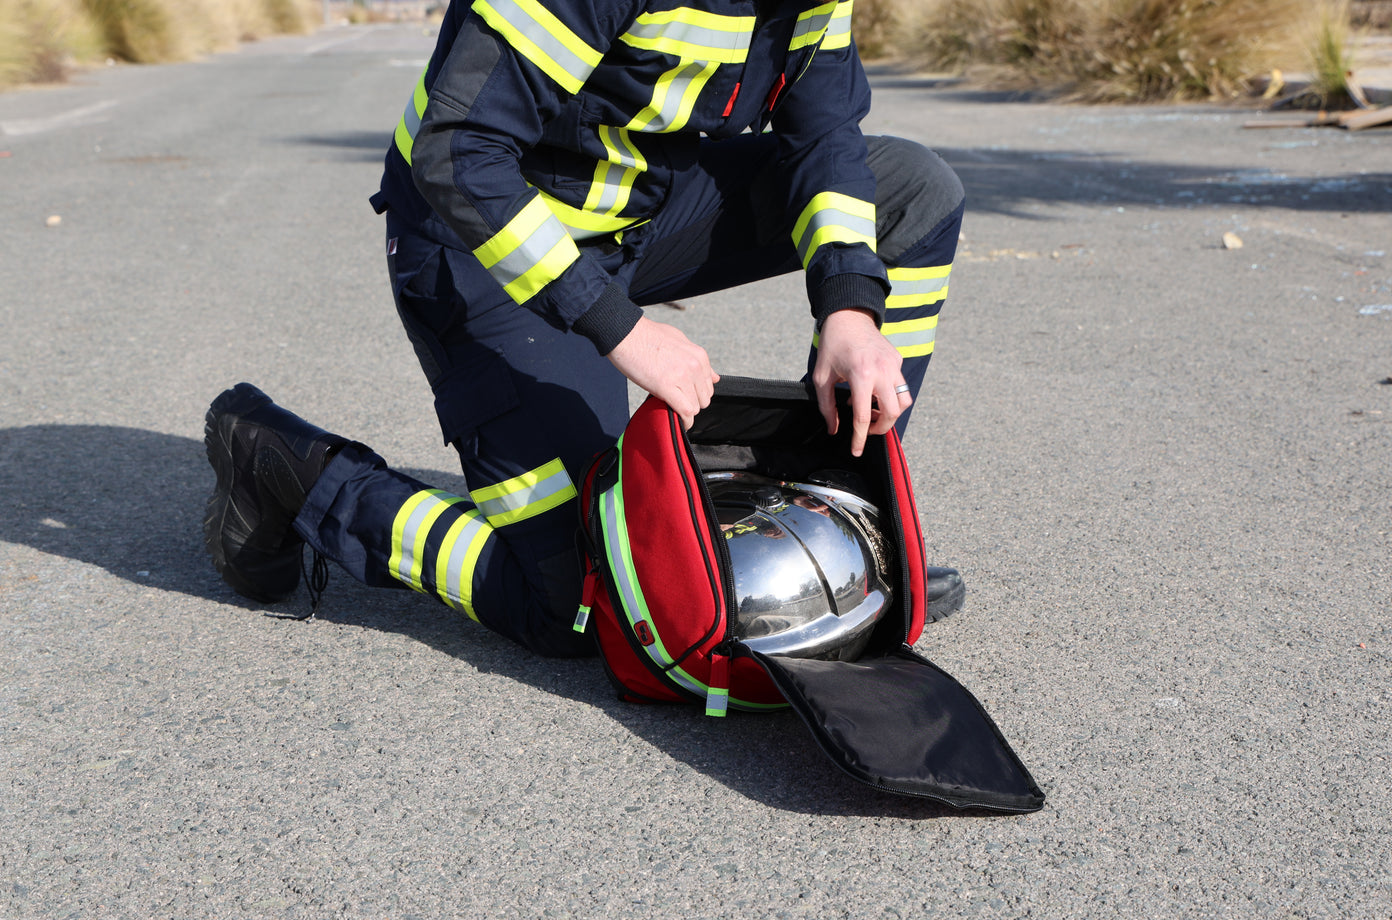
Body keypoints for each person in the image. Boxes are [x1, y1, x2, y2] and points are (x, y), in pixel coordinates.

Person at [204, 0, 966, 657]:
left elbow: (824, 137)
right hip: (480, 241)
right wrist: (621, 329)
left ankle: (833, 518)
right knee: (591, 603)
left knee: (914, 191)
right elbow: (456, 149)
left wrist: (849, 307)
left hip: (639, 207)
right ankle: (298, 472)